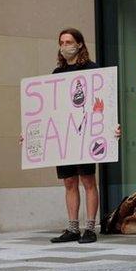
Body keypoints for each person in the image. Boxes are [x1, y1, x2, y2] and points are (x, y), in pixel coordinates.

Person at [47, 28, 119, 244]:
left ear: (79, 44)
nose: (65, 45)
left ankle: (89, 227)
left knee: (88, 180)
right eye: (61, 41)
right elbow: (50, 108)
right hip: (66, 135)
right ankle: (72, 228)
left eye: (69, 41)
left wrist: (110, 127)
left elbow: (104, 101)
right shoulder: (57, 74)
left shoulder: (92, 70)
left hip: (86, 133)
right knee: (69, 181)